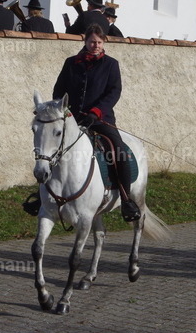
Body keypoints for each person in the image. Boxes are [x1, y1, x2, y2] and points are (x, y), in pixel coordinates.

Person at [53, 24, 140, 222]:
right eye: (92, 42)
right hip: (72, 119)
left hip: (101, 119)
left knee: (118, 151)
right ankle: (44, 198)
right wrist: (63, 110)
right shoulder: (71, 63)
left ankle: (126, 200)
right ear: (85, 41)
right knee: (51, 149)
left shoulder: (111, 64)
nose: (96, 46)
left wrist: (96, 112)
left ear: (104, 43)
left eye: (99, 42)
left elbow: (114, 92)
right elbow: (59, 90)